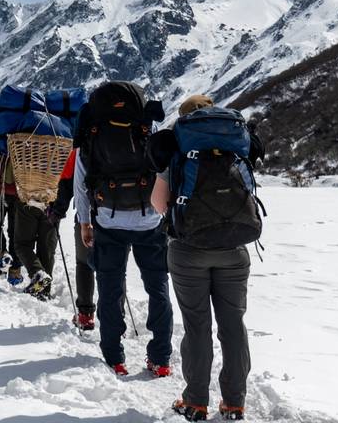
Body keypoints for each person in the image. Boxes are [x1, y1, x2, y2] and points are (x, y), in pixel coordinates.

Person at [150, 94, 263, 422]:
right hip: (234, 250)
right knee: (233, 325)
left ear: (184, 120)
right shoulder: (237, 145)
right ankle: (234, 403)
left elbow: (159, 204)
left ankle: (195, 401)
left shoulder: (176, 148)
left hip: (188, 251)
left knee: (197, 326)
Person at [75, 81, 172, 377]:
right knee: (157, 288)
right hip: (149, 221)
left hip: (108, 220)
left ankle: (114, 356)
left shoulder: (91, 136)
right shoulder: (147, 130)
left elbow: (81, 183)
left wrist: (84, 222)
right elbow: (164, 173)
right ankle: (161, 358)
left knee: (110, 288)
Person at [56, 145, 97, 330]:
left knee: (85, 263)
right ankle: (116, 318)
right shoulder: (133, 134)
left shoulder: (84, 143)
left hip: (87, 215)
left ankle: (85, 315)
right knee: (116, 267)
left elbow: (68, 182)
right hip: (121, 216)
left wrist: (57, 211)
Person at [0, 143, 24, 286]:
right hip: (20, 191)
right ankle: (15, 271)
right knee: (16, 231)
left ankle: (2, 254)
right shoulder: (29, 136)